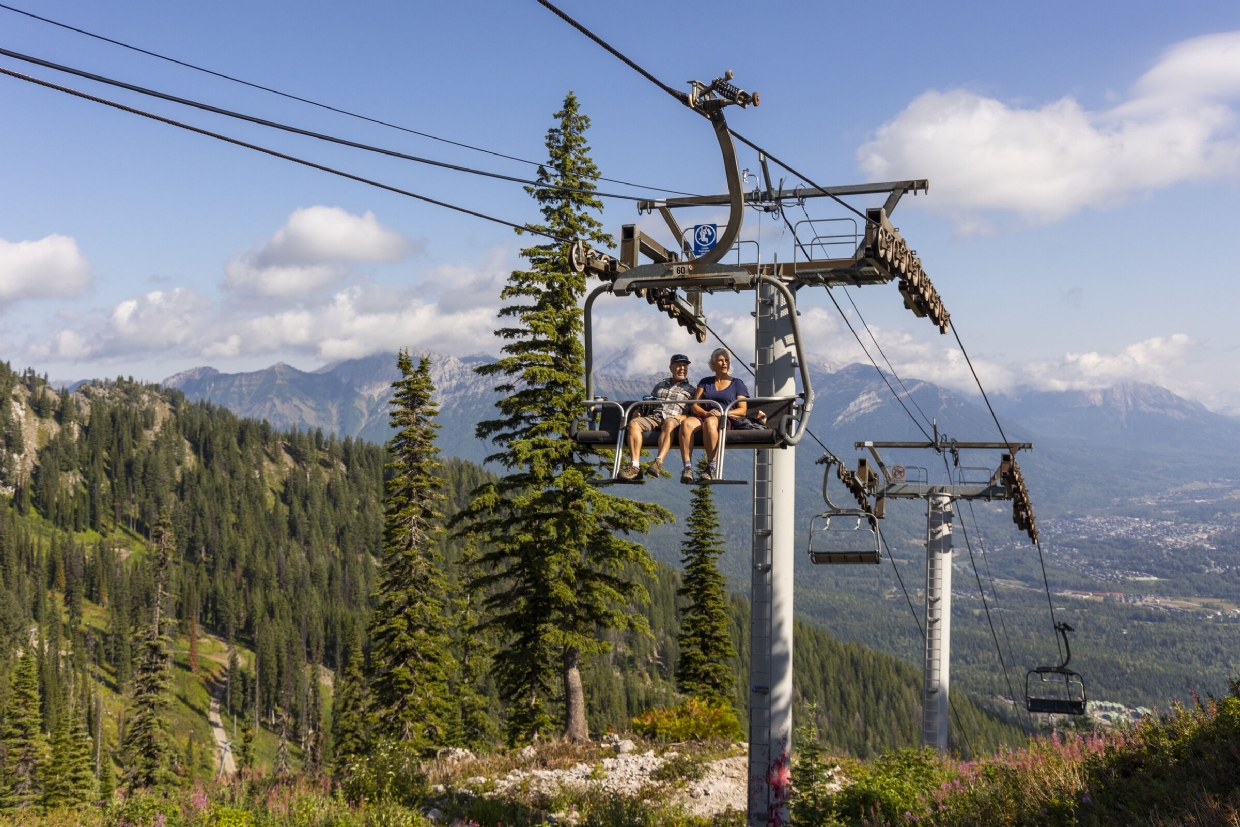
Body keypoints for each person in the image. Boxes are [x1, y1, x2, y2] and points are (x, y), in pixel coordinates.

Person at [679, 347, 753, 483]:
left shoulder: (737, 383)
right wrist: (706, 412)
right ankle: (687, 468)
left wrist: (723, 412)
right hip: (705, 415)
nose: (725, 363)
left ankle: (711, 467)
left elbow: (742, 410)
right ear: (713, 364)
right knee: (686, 423)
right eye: (721, 360)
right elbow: (695, 406)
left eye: (727, 360)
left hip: (726, 419)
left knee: (711, 421)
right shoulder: (705, 382)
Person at [617, 354, 695, 480]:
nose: (682, 368)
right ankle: (635, 466)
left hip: (675, 418)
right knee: (633, 424)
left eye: (684, 366)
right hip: (655, 416)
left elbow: (693, 413)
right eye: (678, 365)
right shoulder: (660, 385)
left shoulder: (691, 390)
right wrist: (640, 412)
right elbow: (651, 403)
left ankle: (658, 462)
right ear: (671, 368)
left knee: (669, 423)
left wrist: (683, 417)